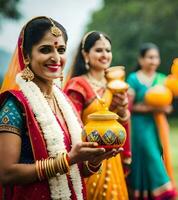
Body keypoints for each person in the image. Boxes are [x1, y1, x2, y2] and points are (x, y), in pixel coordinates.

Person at [0, 16, 120, 200]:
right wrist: (68, 160)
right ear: (26, 56)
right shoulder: (14, 106)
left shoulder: (64, 103)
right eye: (45, 49)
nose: (56, 57)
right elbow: (6, 174)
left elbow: (74, 172)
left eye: (61, 49)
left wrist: (94, 161)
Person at [64, 31, 131, 200]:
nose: (105, 55)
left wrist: (122, 110)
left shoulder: (115, 85)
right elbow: (71, 125)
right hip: (88, 157)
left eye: (108, 50)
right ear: (86, 54)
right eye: (99, 50)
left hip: (113, 156)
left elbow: (122, 122)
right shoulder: (78, 85)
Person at [127, 43, 178, 200]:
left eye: (156, 57)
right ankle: (165, 191)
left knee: (158, 153)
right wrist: (150, 108)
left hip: (159, 124)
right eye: (149, 57)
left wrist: (163, 109)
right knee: (150, 154)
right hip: (140, 125)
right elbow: (129, 107)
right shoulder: (133, 78)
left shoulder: (163, 79)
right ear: (141, 59)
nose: (153, 61)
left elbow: (168, 107)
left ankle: (146, 193)